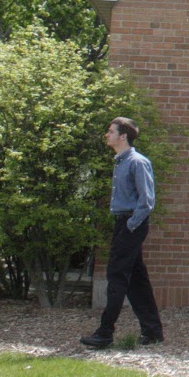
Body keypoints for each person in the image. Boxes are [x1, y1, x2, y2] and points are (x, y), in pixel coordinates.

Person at [81, 117, 163, 349]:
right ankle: (153, 331)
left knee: (116, 276)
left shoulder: (138, 162)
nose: (107, 135)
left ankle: (105, 333)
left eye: (111, 131)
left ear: (123, 136)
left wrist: (130, 225)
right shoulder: (120, 162)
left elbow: (147, 201)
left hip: (131, 224)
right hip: (124, 223)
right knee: (136, 279)